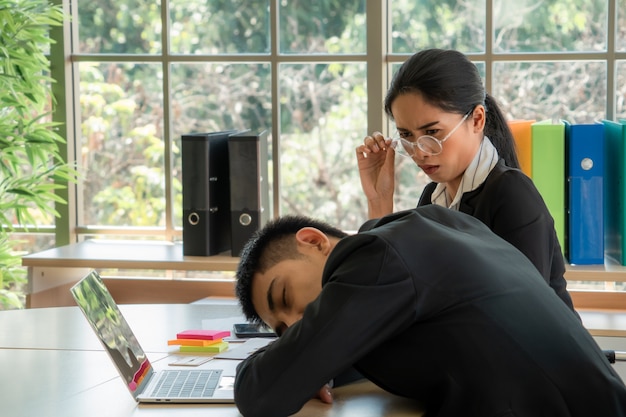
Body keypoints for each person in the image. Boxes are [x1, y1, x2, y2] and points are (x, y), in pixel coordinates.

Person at [233, 205, 626, 417]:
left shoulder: (373, 259)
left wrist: (291, 361)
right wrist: (316, 361)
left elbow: (262, 395)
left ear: (313, 241)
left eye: (284, 296)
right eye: (284, 329)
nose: (297, 319)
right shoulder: (435, 224)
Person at [356, 48, 575, 312]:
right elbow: (389, 287)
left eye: (432, 132)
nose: (420, 150)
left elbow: (525, 315)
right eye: (407, 135)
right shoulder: (432, 198)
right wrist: (379, 201)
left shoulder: (511, 194)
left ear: (477, 120)